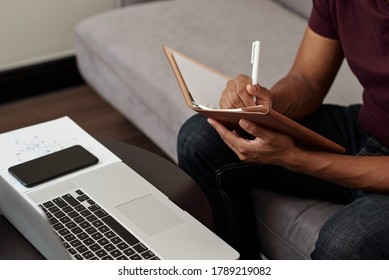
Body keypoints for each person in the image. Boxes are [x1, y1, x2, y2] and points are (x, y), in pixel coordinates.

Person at [177, 0, 389, 259]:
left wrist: (299, 159)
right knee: (200, 139)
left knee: (343, 241)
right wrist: (265, 106)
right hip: (367, 129)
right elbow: (307, 80)